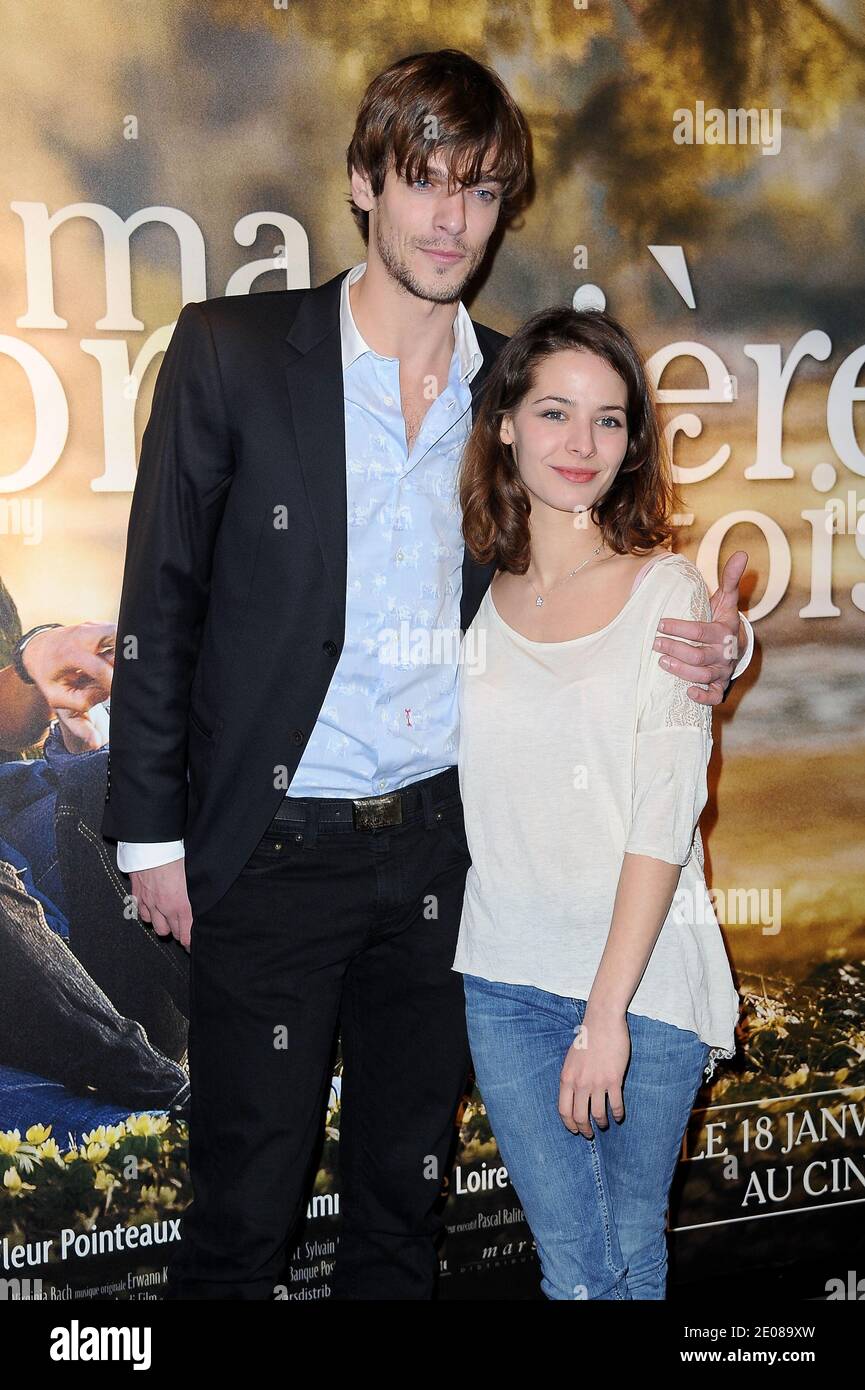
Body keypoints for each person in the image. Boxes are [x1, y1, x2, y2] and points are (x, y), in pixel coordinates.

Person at [101, 50, 753, 1300]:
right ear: (363, 183)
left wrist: (718, 648)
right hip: (269, 854)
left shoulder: (514, 390)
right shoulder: (234, 351)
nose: (452, 217)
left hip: (446, 870)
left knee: (402, 1215)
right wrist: (148, 837)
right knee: (243, 1217)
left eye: (482, 190)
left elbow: (608, 588)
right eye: (424, 180)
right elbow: (159, 600)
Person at [452, 305, 744, 1300]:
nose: (580, 444)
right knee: (573, 1271)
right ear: (503, 423)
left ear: (632, 444)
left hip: (643, 984)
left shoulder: (666, 593)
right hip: (500, 977)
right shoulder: (466, 591)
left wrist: (604, 1015)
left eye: (609, 420)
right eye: (553, 412)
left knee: (625, 1258)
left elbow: (664, 818)